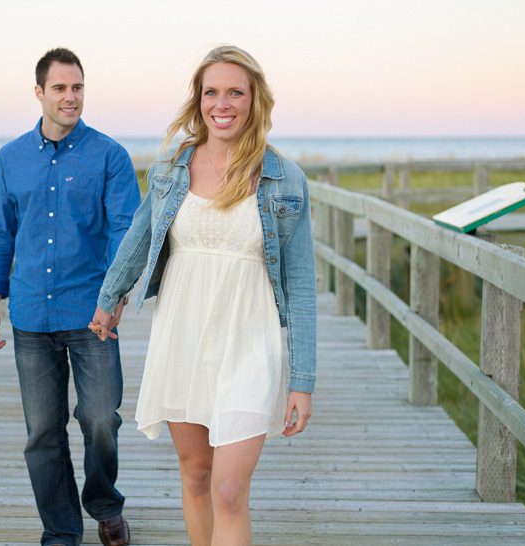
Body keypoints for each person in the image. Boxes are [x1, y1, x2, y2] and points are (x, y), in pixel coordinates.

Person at [90, 45, 317, 544]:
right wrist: (110, 296)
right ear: (198, 101)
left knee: (230, 490)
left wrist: (302, 381)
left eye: (236, 92)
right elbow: (139, 238)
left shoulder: (285, 179)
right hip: (183, 338)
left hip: (250, 344)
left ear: (255, 100)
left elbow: (301, 285)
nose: (223, 103)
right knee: (195, 477)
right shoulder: (173, 169)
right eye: (211, 91)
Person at [0, 47, 140, 546]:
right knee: (43, 435)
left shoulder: (110, 156)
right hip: (30, 313)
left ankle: (105, 505)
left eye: (78, 88)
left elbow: (126, 232)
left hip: (93, 314)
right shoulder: (11, 158)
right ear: (39, 93)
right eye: (61, 88)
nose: (71, 97)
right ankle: (61, 530)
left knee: (99, 420)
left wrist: (115, 298)